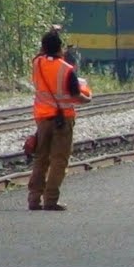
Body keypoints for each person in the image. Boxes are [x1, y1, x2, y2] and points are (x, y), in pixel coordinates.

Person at [28, 29, 92, 211]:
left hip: (41, 119)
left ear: (43, 48)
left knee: (41, 159)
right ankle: (50, 200)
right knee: (59, 160)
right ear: (61, 49)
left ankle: (33, 199)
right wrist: (88, 98)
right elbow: (75, 96)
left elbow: (42, 52)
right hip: (63, 120)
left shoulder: (37, 63)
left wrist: (50, 34)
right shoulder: (67, 70)